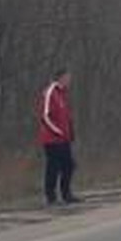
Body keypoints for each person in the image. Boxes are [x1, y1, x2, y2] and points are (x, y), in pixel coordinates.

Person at [37, 67, 78, 206]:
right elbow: (45, 116)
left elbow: (66, 116)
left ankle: (66, 194)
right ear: (61, 77)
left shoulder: (63, 94)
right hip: (52, 139)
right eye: (67, 78)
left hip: (64, 138)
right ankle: (51, 196)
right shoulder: (51, 92)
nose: (69, 81)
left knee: (69, 165)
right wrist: (57, 131)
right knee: (53, 167)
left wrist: (70, 132)